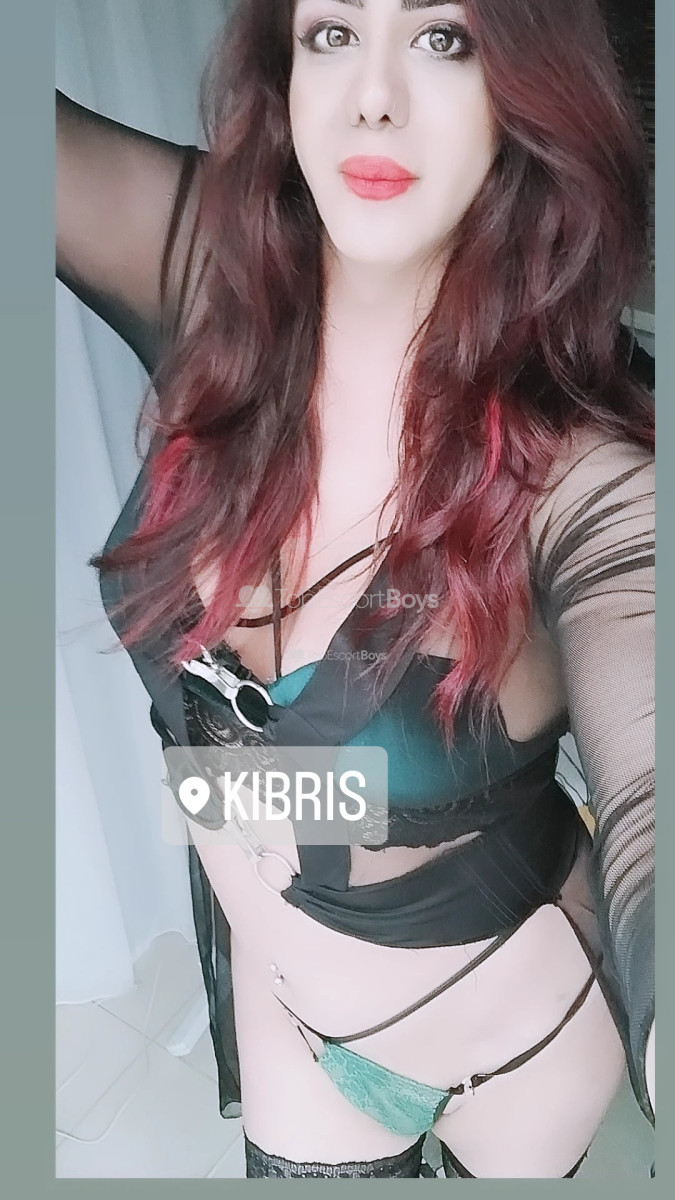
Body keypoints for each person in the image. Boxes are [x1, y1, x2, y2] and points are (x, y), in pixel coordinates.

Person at [56, 0, 655, 1179]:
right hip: (288, 1009)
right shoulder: (211, 281)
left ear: (525, 87)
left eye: (442, 38)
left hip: (513, 1041)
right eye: (332, 32)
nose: (373, 97)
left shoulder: (587, 473)